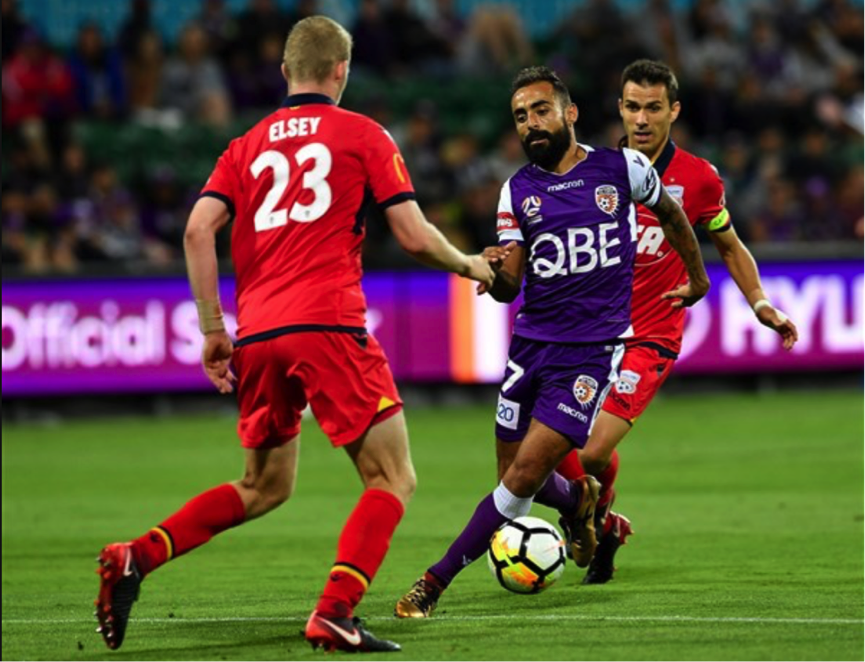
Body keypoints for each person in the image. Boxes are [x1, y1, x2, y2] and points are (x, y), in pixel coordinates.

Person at [93, 16, 496, 653]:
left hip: (258, 334)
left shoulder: (245, 144)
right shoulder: (363, 133)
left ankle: (133, 557)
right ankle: (335, 611)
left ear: (286, 73)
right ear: (342, 71)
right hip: (328, 324)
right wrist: (473, 265)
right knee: (392, 478)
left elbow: (198, 231)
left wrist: (212, 329)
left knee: (264, 486)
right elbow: (414, 236)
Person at [394, 65, 710, 619]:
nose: (531, 124)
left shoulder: (622, 168)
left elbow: (672, 212)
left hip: (589, 353)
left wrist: (698, 276)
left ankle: (432, 583)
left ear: (570, 113)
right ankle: (580, 501)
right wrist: (489, 272)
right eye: (521, 117)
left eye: (541, 110)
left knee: (517, 483)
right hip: (530, 346)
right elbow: (511, 285)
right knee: (513, 479)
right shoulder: (516, 189)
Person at [554, 59, 799, 585]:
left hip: (651, 336)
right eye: (633, 107)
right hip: (590, 336)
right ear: (619, 108)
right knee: (553, 449)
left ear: (674, 111)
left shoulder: (699, 179)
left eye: (654, 108)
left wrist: (760, 303)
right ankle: (604, 522)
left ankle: (592, 511)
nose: (642, 119)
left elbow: (729, 247)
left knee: (592, 451)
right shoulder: (591, 171)